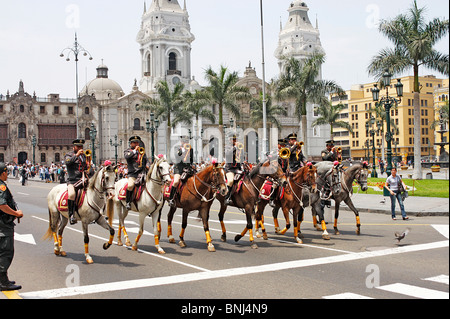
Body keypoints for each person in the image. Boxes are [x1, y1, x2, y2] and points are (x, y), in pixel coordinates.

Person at [0, 163, 23, 291]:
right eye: (6, 172)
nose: (7, 174)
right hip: (3, 226)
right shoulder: (1, 186)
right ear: (3, 173)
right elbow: (2, 205)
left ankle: (3, 279)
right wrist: (16, 213)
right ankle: (3, 282)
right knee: (6, 252)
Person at [64, 139, 89, 225]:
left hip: (82, 179)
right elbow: (68, 163)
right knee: (71, 194)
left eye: (81, 147)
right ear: (74, 147)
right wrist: (76, 155)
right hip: (72, 180)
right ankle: (71, 215)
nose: (80, 148)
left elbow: (84, 168)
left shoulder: (84, 156)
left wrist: (88, 166)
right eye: (78, 147)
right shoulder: (69, 155)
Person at [168, 137, 194, 207]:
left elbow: (191, 160)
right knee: (176, 181)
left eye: (187, 141)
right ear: (181, 142)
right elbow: (177, 156)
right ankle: (171, 199)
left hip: (187, 168)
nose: (186, 143)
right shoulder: (177, 148)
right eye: (184, 141)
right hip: (179, 168)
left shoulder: (190, 149)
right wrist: (183, 150)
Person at [124, 136, 148, 210]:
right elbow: (127, 157)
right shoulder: (128, 151)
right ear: (131, 144)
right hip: (133, 174)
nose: (137, 144)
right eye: (134, 143)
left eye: (137, 142)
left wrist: (148, 166)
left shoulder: (142, 151)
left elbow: (146, 160)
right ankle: (128, 202)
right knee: (130, 185)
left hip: (142, 173)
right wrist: (134, 151)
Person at [224, 135, 243, 205]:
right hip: (230, 169)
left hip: (238, 168)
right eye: (233, 140)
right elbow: (228, 154)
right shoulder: (227, 147)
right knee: (230, 180)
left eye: (235, 139)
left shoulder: (239, 148)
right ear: (230, 140)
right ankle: (227, 197)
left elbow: (241, 157)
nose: (235, 141)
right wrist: (235, 147)